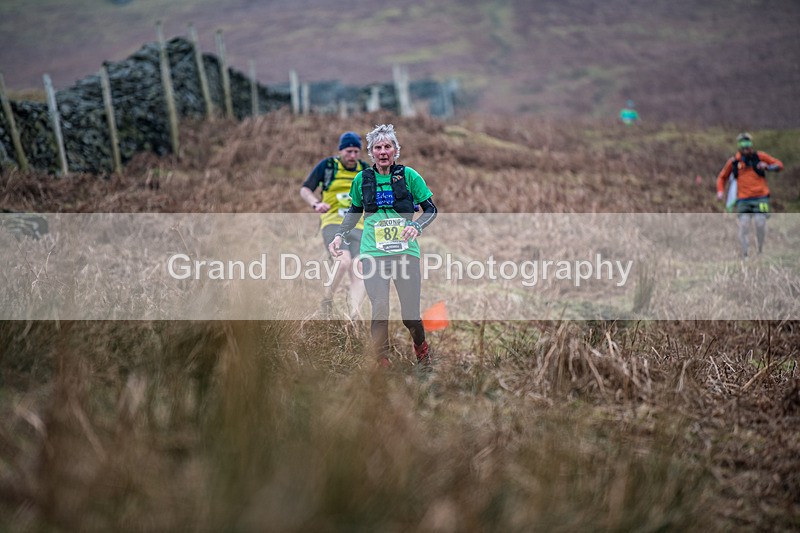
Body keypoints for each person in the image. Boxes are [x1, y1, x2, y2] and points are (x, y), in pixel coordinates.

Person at [329, 124, 438, 367]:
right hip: (373, 253)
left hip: (405, 253)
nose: (383, 151)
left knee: (410, 316)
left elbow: (431, 209)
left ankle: (422, 351)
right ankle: (381, 361)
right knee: (379, 307)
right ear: (371, 152)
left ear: (396, 150)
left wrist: (416, 226)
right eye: (377, 147)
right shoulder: (362, 179)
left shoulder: (409, 176)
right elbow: (354, 211)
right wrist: (339, 235)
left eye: (388, 146)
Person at [300, 131, 370, 317]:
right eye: (349, 151)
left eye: (356, 151)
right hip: (333, 223)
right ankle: (326, 302)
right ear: (340, 151)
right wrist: (316, 203)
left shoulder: (364, 169)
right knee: (343, 261)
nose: (353, 156)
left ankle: (354, 315)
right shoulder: (328, 166)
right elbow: (305, 189)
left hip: (359, 226)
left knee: (360, 267)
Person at [716, 132, 783, 258]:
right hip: (743, 200)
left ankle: (760, 249)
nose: (747, 149)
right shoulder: (734, 162)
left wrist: (768, 167)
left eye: (748, 145)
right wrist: (720, 191)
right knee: (744, 225)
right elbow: (722, 177)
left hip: (761, 198)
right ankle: (745, 255)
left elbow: (779, 165)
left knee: (760, 223)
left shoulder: (760, 157)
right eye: (744, 146)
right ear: (739, 148)